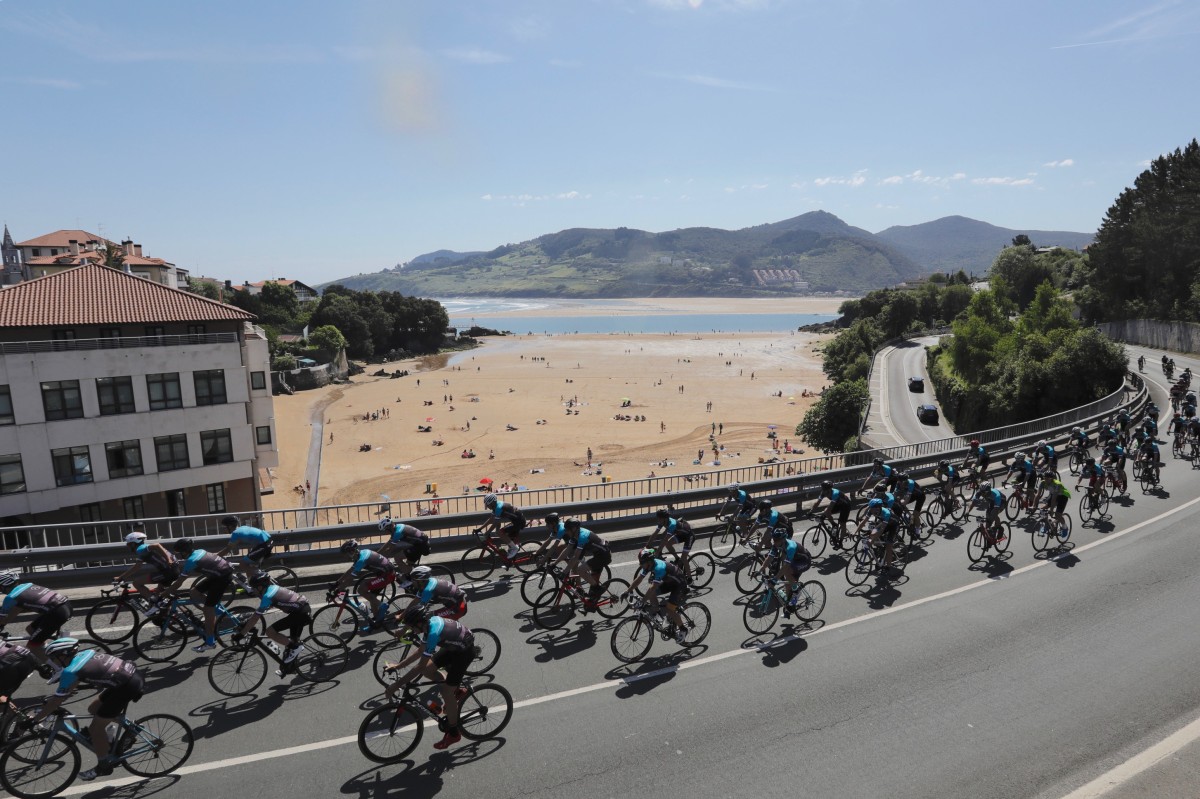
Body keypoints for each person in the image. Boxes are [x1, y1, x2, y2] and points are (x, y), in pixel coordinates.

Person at [31, 638, 145, 781]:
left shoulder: (71, 670)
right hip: (129, 676)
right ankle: (131, 728)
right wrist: (56, 699)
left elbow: (59, 698)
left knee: (95, 729)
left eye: (54, 657)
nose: (53, 661)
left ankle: (104, 765)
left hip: (125, 686)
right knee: (93, 708)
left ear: (63, 655)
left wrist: (35, 720)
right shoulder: (85, 654)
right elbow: (69, 688)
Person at [383, 603, 476, 751]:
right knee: (428, 670)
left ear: (420, 623)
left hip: (464, 652)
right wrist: (399, 665)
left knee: (445, 691)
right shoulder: (428, 625)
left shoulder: (432, 632)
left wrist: (397, 684)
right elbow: (421, 651)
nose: (412, 630)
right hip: (453, 646)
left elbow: (418, 666)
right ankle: (456, 691)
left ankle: (454, 733)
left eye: (413, 627)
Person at [163, 539, 235, 653]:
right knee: (194, 592)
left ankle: (210, 642)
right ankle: (217, 610)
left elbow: (179, 582)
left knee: (207, 609)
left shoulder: (192, 560)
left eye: (179, 553)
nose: (180, 556)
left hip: (222, 577)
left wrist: (166, 593)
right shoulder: (199, 551)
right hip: (217, 574)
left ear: (184, 552)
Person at [0, 571, 71, 673]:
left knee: (32, 646)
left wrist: (2, 624)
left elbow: (3, 618)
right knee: (31, 629)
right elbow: (16, 610)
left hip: (56, 613)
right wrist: (3, 623)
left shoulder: (11, 597)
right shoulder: (27, 585)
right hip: (65, 605)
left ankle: (59, 670)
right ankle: (49, 653)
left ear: (4, 585)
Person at [237, 571, 311, 668]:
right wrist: (249, 622)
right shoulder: (273, 588)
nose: (252, 590)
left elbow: (256, 617)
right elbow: (262, 611)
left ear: (260, 587)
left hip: (300, 614)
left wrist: (241, 634)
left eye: (253, 588)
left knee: (270, 632)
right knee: (292, 641)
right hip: (302, 609)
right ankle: (291, 666)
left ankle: (296, 648)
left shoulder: (267, 596)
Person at [625, 549, 691, 644]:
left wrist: (642, 602)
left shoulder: (659, 568)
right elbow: (639, 579)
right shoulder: (649, 565)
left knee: (669, 609)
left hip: (679, 584)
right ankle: (658, 615)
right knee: (651, 593)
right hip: (670, 582)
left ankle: (683, 629)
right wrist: (627, 591)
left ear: (649, 561)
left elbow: (652, 587)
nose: (641, 565)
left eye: (642, 563)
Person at [330, 540, 396, 628]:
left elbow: (350, 579)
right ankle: (377, 621)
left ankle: (383, 605)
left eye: (347, 554)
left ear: (352, 551)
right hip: (384, 573)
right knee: (371, 595)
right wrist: (337, 583)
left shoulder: (361, 560)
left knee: (362, 589)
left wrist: (339, 589)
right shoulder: (362, 553)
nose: (347, 557)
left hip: (387, 575)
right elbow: (350, 571)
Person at [553, 519, 612, 603]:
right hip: (597, 554)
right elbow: (566, 551)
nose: (566, 532)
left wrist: (565, 572)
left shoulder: (582, 536)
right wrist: (554, 563)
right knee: (591, 597)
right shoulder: (574, 535)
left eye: (567, 530)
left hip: (604, 555)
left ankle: (598, 588)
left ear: (573, 529)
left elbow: (575, 557)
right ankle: (592, 601)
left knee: (580, 570)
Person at [114, 529, 179, 602]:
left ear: (133, 543)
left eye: (128, 544)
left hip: (168, 572)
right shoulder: (144, 548)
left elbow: (156, 545)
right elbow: (137, 566)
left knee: (136, 583)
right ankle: (165, 608)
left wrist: (120, 577)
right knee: (159, 595)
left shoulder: (140, 549)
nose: (127, 545)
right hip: (172, 570)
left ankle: (153, 603)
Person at [765, 525, 812, 613]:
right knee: (787, 584)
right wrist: (760, 570)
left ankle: (796, 589)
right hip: (795, 561)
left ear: (783, 539)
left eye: (777, 540)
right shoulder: (776, 545)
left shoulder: (790, 547)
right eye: (774, 540)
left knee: (787, 571)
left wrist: (775, 579)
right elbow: (769, 558)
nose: (774, 542)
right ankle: (789, 605)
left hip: (804, 561)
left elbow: (786, 566)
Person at [377, 518, 431, 583]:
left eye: (386, 530)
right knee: (408, 564)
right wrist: (377, 553)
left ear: (389, 528)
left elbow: (390, 548)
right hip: (420, 544)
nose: (386, 532)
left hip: (421, 546)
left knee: (397, 557)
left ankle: (410, 581)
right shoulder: (398, 527)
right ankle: (412, 580)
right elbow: (388, 543)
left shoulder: (397, 532)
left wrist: (381, 558)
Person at [402, 568, 469, 621]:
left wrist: (403, 630)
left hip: (458, 608)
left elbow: (418, 611)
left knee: (426, 618)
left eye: (413, 580)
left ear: (420, 581)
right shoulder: (429, 581)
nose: (411, 582)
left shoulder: (428, 590)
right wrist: (402, 614)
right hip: (455, 603)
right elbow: (416, 600)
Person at [645, 508, 696, 576]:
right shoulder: (662, 522)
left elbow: (665, 539)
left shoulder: (672, 524)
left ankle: (689, 579)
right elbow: (655, 534)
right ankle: (677, 559)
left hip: (689, 536)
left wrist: (658, 552)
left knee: (684, 558)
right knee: (668, 544)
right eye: (658, 518)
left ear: (665, 518)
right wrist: (647, 545)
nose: (658, 520)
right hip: (680, 535)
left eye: (660, 518)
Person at [477, 494, 527, 560]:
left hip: (519, 522)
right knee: (500, 533)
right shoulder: (496, 505)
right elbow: (491, 519)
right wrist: (480, 528)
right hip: (516, 520)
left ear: (492, 503)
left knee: (499, 532)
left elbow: (496, 522)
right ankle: (509, 560)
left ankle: (514, 548)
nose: (487, 507)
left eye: (488, 505)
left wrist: (487, 532)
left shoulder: (498, 508)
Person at [892, 471, 927, 540]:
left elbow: (907, 498)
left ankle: (917, 531)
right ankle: (910, 516)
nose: (901, 483)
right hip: (912, 495)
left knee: (916, 514)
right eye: (900, 481)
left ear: (906, 480)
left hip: (920, 496)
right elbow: (894, 495)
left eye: (903, 481)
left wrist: (902, 503)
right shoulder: (898, 483)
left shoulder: (910, 483)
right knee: (898, 502)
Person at [1041, 472, 1072, 540]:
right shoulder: (1043, 482)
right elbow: (1037, 495)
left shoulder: (1057, 484)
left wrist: (1051, 510)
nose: (1045, 480)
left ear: (1051, 479)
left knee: (1058, 514)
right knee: (1043, 509)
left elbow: (1054, 499)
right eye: (1044, 478)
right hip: (1053, 495)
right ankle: (1046, 524)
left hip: (1062, 496)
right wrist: (1034, 506)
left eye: (1047, 479)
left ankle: (1064, 527)